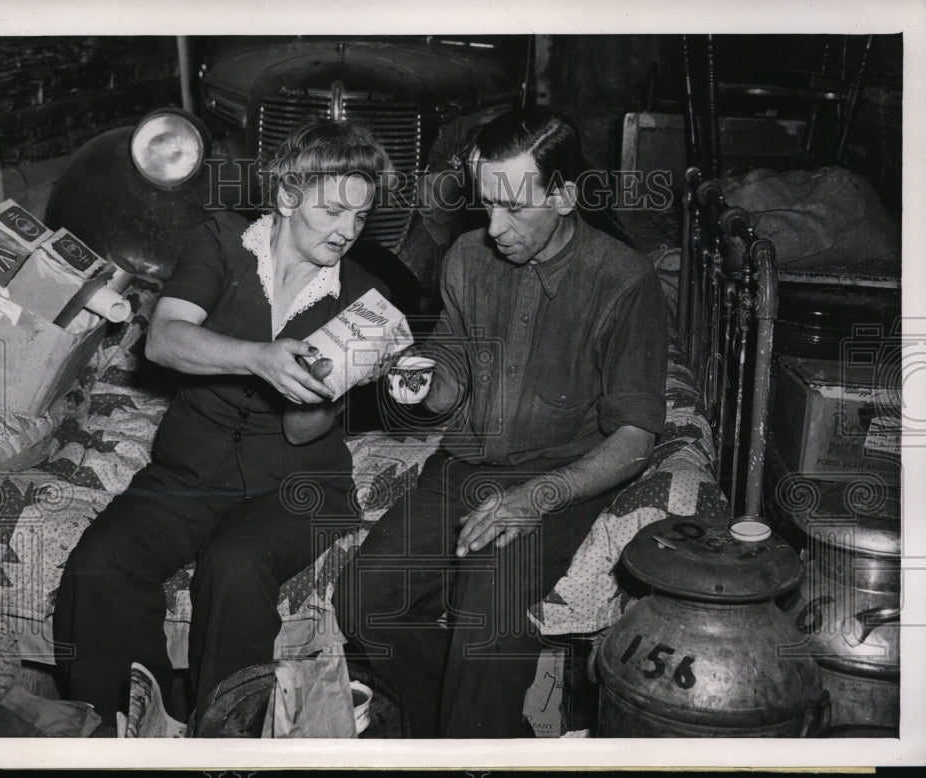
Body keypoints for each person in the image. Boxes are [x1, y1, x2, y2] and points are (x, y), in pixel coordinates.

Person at [332, 107, 669, 737]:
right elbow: (454, 371)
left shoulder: (625, 282)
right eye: (486, 205)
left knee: (487, 611)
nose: (495, 227)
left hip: (561, 472)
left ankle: (471, 736)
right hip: (463, 464)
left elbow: (634, 441)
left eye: (514, 207)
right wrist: (423, 385)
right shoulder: (466, 256)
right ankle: (476, 731)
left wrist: (536, 498)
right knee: (361, 602)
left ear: (566, 195)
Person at [53, 120, 395, 722]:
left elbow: (301, 431)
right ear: (289, 195)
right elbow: (162, 341)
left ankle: (226, 739)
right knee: (99, 566)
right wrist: (258, 358)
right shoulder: (222, 242)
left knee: (235, 566)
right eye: (334, 210)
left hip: (296, 482)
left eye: (360, 218)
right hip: (190, 467)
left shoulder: (359, 298)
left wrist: (342, 383)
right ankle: (135, 732)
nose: (347, 232)